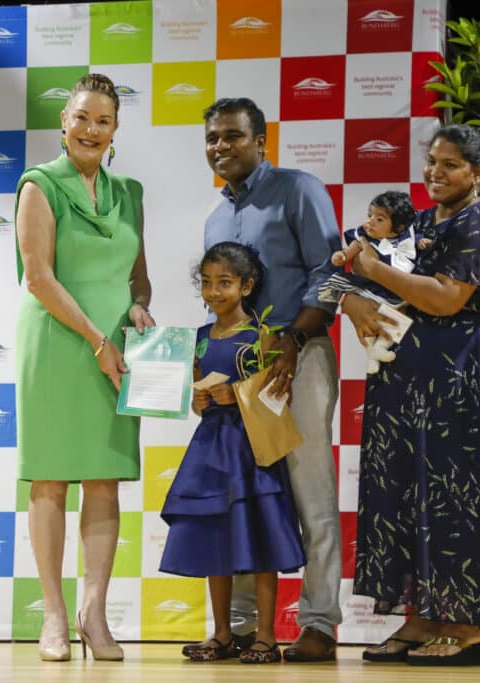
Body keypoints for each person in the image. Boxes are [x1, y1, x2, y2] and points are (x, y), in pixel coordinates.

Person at [341, 123, 480, 666]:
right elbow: (342, 263)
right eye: (431, 162)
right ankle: (420, 617)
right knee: (406, 493)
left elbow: (448, 299)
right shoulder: (412, 223)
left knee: (458, 496)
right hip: (403, 388)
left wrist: (374, 271)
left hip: (459, 388)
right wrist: (352, 300)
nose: (436, 173)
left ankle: (466, 627)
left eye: (450, 165)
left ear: (478, 172)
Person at [194, 97, 343, 663]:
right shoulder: (214, 217)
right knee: (240, 497)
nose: (221, 146)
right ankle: (239, 629)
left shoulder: (298, 189)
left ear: (261, 141)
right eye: (212, 137)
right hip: (238, 373)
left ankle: (319, 623)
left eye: (232, 136)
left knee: (311, 495)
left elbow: (331, 277)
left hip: (295, 360)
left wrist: (294, 340)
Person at [13, 73, 155, 663]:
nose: (91, 129)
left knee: (103, 479)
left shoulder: (131, 193)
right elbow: (39, 277)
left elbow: (138, 277)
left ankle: (93, 616)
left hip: (117, 352)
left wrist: (141, 307)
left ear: (115, 129)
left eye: (103, 120)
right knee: (50, 479)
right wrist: (98, 340)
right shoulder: (39, 185)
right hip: (59, 345)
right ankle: (52, 617)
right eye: (81, 118)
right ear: (63, 123)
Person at [160, 242, 306, 665]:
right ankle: (222, 633)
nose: (214, 292)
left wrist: (236, 396)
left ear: (247, 285)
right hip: (210, 450)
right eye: (206, 283)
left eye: (224, 283)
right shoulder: (201, 338)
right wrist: (200, 402)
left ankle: (265, 635)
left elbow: (278, 395)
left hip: (252, 451)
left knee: (261, 540)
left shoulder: (262, 334)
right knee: (213, 537)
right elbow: (195, 388)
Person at [320, 191, 417, 371]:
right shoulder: (367, 234)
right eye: (370, 215)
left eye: (379, 219)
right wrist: (343, 255)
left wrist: (421, 242)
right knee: (332, 284)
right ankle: (371, 350)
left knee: (400, 320)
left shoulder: (406, 242)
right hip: (369, 290)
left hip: (393, 293)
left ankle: (379, 348)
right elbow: (356, 245)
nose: (371, 221)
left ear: (399, 227)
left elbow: (405, 266)